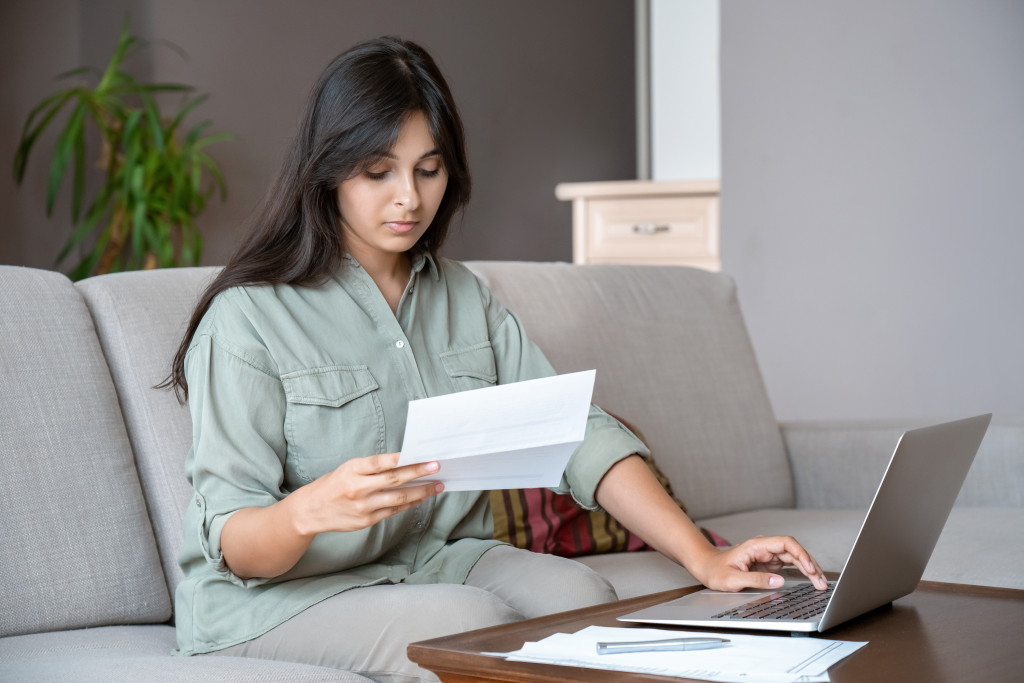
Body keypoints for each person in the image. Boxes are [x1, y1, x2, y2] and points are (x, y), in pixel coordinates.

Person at [163, 36, 826, 682]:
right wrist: (308, 510)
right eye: (378, 172)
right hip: (273, 597)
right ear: (329, 170)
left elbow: (577, 432)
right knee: (466, 620)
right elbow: (235, 541)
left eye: (428, 169)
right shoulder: (247, 318)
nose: (409, 199)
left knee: (585, 597)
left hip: (436, 557)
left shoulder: (463, 297)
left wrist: (703, 557)